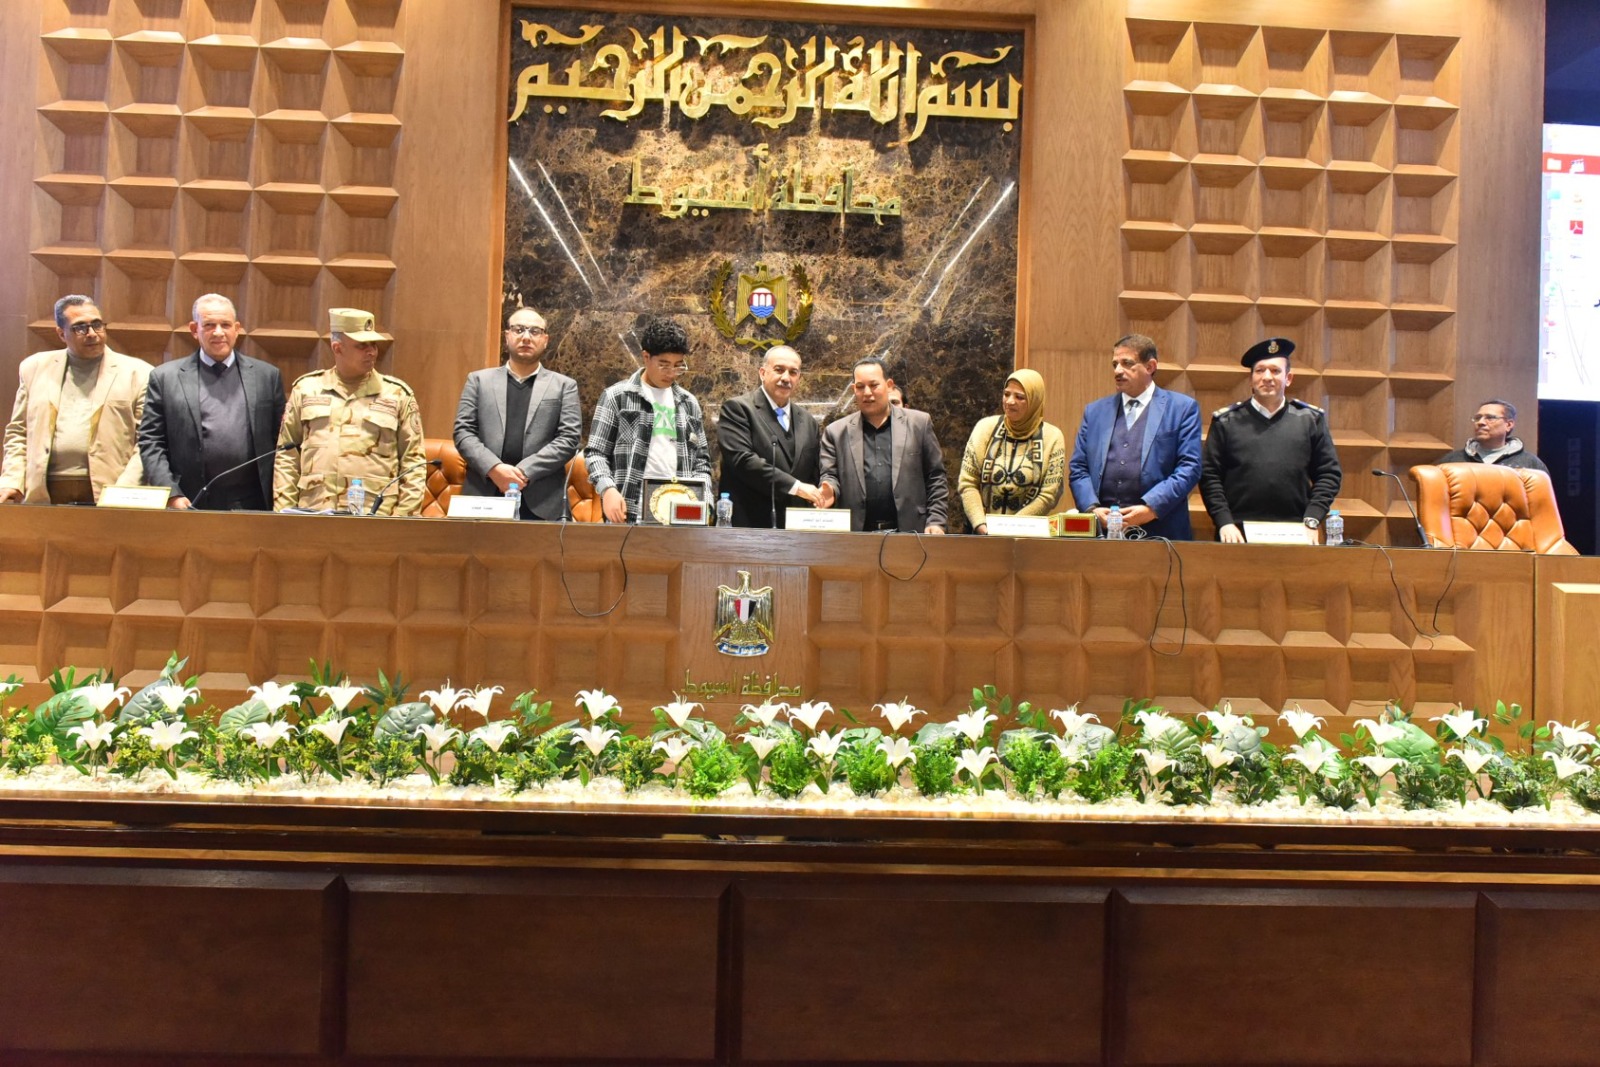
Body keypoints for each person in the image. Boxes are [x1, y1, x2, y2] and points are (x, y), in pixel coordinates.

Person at [137, 294, 285, 510]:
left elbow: (282, 443)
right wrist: (170, 493)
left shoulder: (267, 376)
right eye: (209, 325)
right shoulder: (165, 378)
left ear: (237, 329)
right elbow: (151, 441)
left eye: (225, 325)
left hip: (253, 503)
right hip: (189, 501)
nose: (218, 332)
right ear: (194, 329)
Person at [273, 307, 426, 515]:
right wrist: (284, 515)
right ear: (337, 348)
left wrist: (402, 521)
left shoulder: (397, 395)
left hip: (376, 517)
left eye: (374, 344)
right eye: (362, 345)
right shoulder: (306, 390)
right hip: (314, 514)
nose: (372, 351)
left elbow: (414, 464)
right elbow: (286, 456)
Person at [0, 295, 149, 505]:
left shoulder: (138, 373)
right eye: (80, 328)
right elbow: (18, 431)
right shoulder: (34, 368)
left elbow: (146, 441)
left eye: (97, 325)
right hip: (44, 490)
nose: (92, 334)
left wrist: (125, 489)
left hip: (110, 488)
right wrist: (11, 480)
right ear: (61, 333)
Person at [1200, 337, 1341, 542]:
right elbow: (1209, 476)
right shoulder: (1226, 421)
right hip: (1237, 533)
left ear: (1288, 378)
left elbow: (1328, 474)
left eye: (1275, 371)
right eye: (1260, 371)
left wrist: (1312, 519)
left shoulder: (1310, 420)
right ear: (1251, 379)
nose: (1267, 377)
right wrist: (1224, 522)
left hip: (1297, 531)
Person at [1067, 334, 1202, 540]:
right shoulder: (1095, 412)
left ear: (1150, 366)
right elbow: (1078, 467)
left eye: (1127, 363)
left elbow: (1189, 468)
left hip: (1161, 532)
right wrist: (1092, 509)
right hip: (1101, 534)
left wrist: (1151, 508)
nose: (1118, 370)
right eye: (1115, 364)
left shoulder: (1182, 409)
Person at [453, 306, 581, 520]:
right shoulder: (478, 381)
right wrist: (495, 469)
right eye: (519, 329)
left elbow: (569, 439)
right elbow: (463, 432)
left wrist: (523, 473)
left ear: (545, 340)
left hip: (542, 502)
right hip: (483, 496)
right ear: (507, 336)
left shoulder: (564, 386)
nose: (526, 337)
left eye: (535, 331)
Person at [584, 318, 711, 523]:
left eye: (678, 366)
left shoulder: (688, 403)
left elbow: (702, 461)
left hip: (680, 514)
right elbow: (595, 453)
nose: (671, 373)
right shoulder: (617, 396)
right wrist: (607, 489)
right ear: (646, 357)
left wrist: (705, 501)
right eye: (664, 365)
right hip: (628, 511)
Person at [818, 357, 947, 534]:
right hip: (857, 536)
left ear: (889, 385)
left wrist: (937, 520)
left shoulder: (919, 423)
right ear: (853, 389)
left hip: (911, 532)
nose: (867, 392)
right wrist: (829, 489)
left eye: (874, 385)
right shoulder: (835, 432)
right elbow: (830, 475)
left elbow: (935, 476)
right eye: (860, 387)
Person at [716, 345, 823, 528]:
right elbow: (742, 460)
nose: (786, 378)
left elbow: (814, 472)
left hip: (797, 529)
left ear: (799, 378)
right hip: (749, 525)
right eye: (779, 370)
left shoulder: (808, 421)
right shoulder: (738, 409)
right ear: (762, 373)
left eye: (793, 372)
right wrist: (796, 487)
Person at [958, 369, 1066, 533]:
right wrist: (981, 525)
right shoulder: (984, 428)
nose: (1009, 401)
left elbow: (1048, 495)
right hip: (981, 534)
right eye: (1006, 394)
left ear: (1035, 400)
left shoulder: (1052, 437)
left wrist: (1009, 530)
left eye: (1019, 397)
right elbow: (968, 482)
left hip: (1026, 536)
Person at [1437, 400, 1547, 472]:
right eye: (1477, 418)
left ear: (1508, 425)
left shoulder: (1530, 464)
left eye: (1490, 418)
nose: (1480, 422)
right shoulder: (1452, 461)